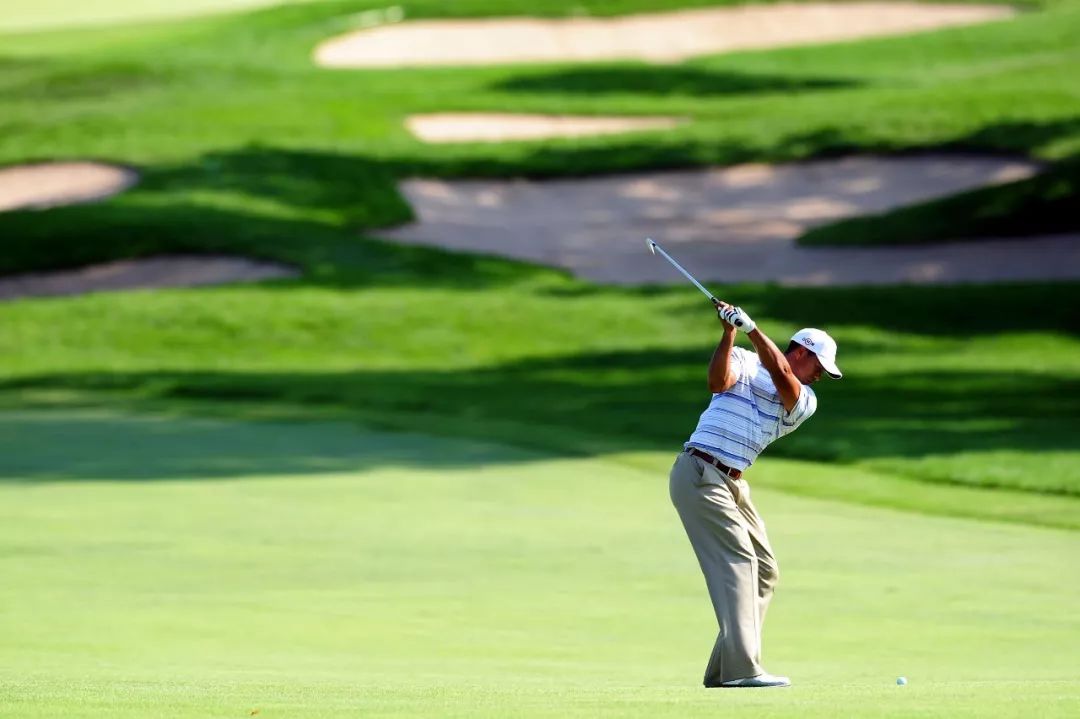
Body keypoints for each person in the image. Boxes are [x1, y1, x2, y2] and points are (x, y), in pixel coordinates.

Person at [669, 302, 842, 688]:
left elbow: (782, 374)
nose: (820, 377)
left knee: (764, 569)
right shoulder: (745, 360)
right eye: (819, 367)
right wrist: (730, 333)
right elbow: (717, 383)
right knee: (740, 559)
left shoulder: (804, 400)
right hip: (699, 472)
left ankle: (723, 670)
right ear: (802, 352)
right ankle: (743, 670)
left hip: (732, 481)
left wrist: (751, 328)